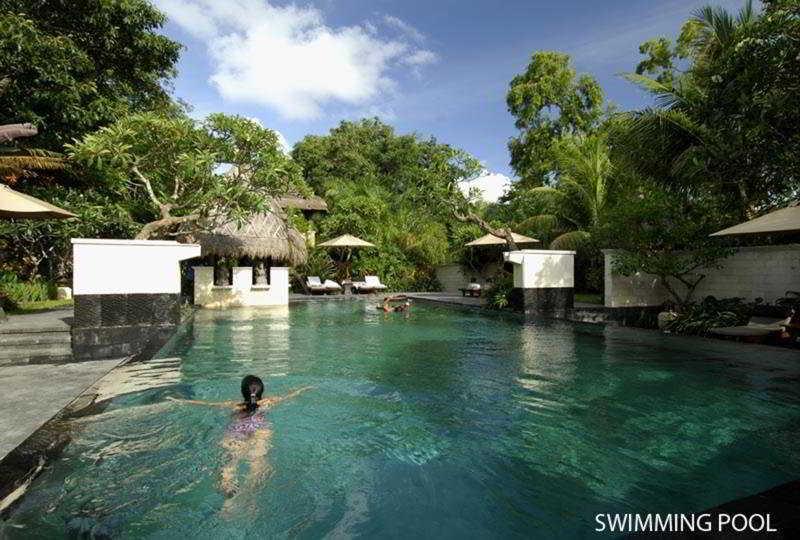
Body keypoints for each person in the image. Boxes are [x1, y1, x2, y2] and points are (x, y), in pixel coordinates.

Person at [167, 375, 312, 512]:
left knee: (229, 464)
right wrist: (303, 389)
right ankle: (250, 497)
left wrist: (180, 401)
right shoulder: (269, 402)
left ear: (243, 392)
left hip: (236, 432)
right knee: (258, 463)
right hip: (259, 431)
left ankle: (229, 497)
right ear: (262, 391)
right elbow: (290, 396)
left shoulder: (234, 405)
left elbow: (206, 404)